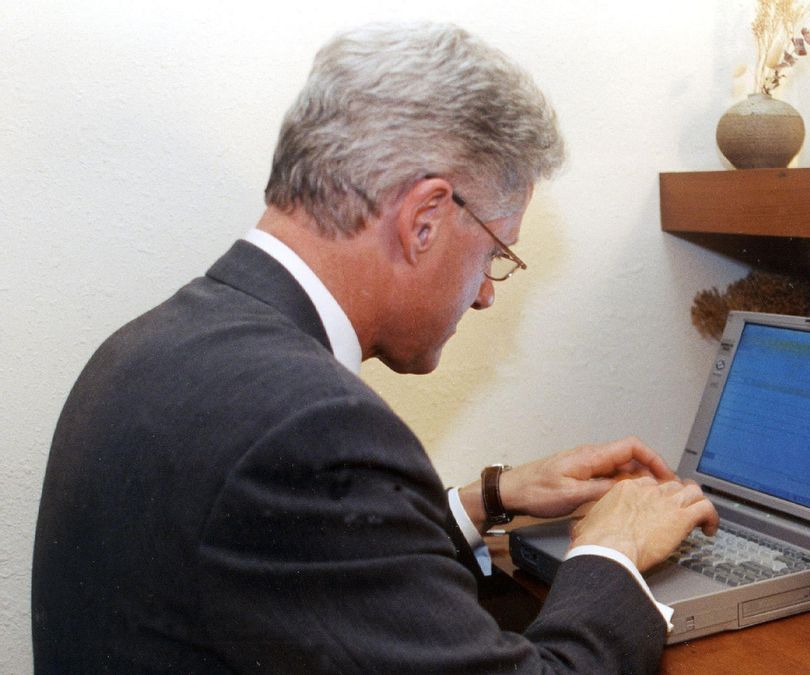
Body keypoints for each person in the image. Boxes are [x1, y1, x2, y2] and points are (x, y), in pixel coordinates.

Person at [31, 21, 718, 673]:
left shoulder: (152, 345)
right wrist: (610, 548)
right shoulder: (306, 429)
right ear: (423, 220)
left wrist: (488, 498)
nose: (485, 293)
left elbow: (297, 567)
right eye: (495, 254)